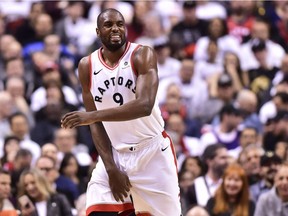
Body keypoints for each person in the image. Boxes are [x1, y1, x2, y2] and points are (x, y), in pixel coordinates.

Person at [61, 8, 181, 216]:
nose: (115, 28)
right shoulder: (86, 66)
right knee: (96, 212)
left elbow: (144, 105)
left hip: (151, 153)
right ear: (98, 32)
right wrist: (110, 168)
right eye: (108, 25)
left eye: (120, 24)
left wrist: (92, 116)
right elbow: (96, 125)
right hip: (115, 154)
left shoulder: (142, 54)